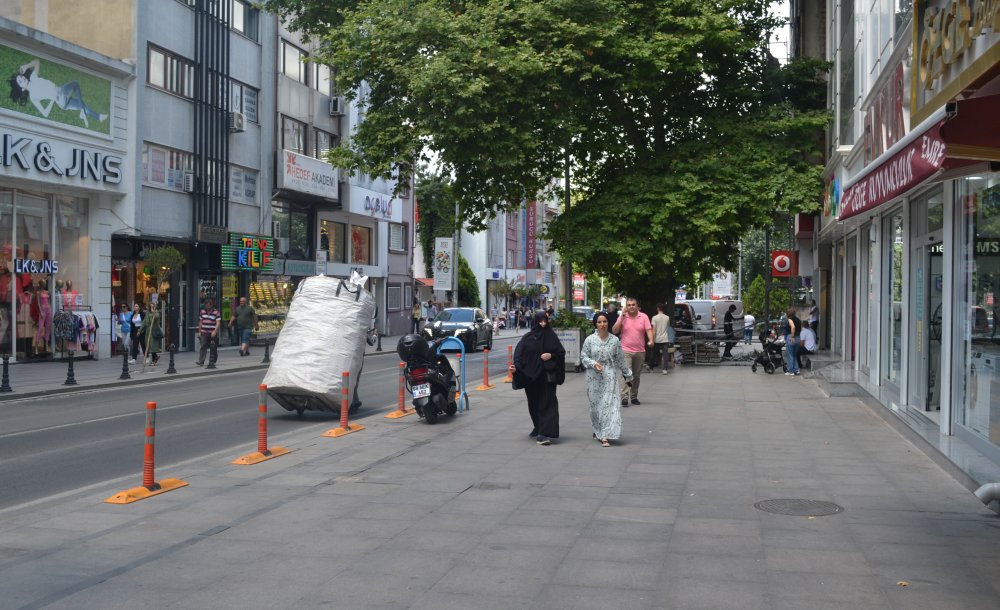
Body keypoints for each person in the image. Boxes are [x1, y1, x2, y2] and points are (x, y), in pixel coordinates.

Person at [509, 311, 565, 446]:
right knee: (534, 403)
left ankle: (544, 433)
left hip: (547, 376)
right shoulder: (528, 338)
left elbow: (560, 353)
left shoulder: (552, 337)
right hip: (531, 377)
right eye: (540, 321)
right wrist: (516, 367)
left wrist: (551, 355)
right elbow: (519, 354)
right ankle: (538, 427)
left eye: (545, 321)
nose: (543, 324)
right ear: (535, 322)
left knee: (548, 403)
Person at [581, 312, 634, 447]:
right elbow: (584, 357)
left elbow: (620, 359)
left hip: (609, 375)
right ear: (595, 324)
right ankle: (597, 429)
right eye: (599, 322)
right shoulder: (589, 340)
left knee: (609, 405)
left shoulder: (615, 340)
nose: (602, 324)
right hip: (593, 377)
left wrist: (628, 375)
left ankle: (605, 434)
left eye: (604, 321)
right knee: (595, 407)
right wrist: (593, 363)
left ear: (608, 323)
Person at [8, 59, 108, 128]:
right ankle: (82, 111)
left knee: (82, 105)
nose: (22, 79)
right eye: (20, 81)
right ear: (22, 89)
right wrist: (52, 100)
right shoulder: (33, 96)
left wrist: (26, 66)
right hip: (60, 97)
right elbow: (45, 114)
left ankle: (98, 117)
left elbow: (37, 62)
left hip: (61, 95)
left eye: (21, 77)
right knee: (75, 84)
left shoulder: (33, 77)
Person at [612, 298, 653, 406]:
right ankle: (624, 397)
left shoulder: (643, 317)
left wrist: (651, 340)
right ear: (626, 306)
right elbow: (615, 330)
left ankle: (634, 396)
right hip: (625, 350)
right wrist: (621, 317)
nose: (631, 307)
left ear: (637, 306)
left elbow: (648, 329)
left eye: (633, 304)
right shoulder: (623, 317)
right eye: (629, 305)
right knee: (626, 374)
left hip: (640, 351)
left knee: (636, 375)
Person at [196, 298, 221, 366]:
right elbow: (200, 322)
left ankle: (213, 359)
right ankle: (201, 361)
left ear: (211, 305)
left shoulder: (216, 312)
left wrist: (215, 331)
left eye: (209, 305)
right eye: (206, 305)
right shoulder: (202, 312)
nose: (207, 307)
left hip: (212, 332)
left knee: (213, 347)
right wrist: (199, 331)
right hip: (204, 332)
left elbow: (218, 323)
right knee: (203, 346)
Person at [650, 303, 671, 375]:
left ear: (658, 308)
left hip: (657, 338)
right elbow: (667, 327)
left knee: (654, 353)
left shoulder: (654, 317)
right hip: (665, 338)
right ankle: (665, 369)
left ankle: (651, 367)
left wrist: (651, 339)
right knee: (665, 354)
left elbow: (654, 330)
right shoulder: (667, 317)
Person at [782, 307, 802, 376]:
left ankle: (791, 371)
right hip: (798, 338)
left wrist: (792, 336)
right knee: (794, 355)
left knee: (790, 355)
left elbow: (793, 327)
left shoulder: (790, 319)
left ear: (788, 314)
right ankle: (797, 369)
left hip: (791, 337)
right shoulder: (799, 320)